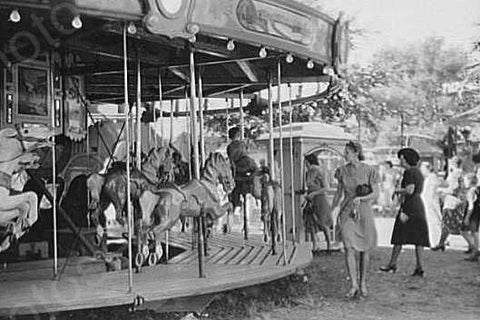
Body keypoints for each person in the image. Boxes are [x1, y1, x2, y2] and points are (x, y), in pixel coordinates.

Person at [331, 141, 380, 298]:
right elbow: (339, 193)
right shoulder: (342, 171)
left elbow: (376, 194)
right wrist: (332, 209)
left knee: (365, 249)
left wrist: (362, 198)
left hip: (364, 212)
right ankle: (353, 284)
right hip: (347, 212)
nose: (344, 155)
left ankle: (363, 282)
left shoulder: (369, 170)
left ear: (356, 152)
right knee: (348, 247)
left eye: (347, 152)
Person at [380, 148, 429, 277]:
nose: (400, 160)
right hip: (417, 206)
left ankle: (393, 263)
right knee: (418, 237)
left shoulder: (409, 172)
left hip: (409, 207)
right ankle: (419, 266)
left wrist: (397, 191)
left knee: (400, 233)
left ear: (406, 159)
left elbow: (409, 190)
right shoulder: (417, 172)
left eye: (401, 158)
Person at [432, 156, 465, 251]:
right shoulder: (459, 173)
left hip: (451, 201)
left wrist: (440, 190)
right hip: (454, 200)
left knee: (447, 223)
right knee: (449, 223)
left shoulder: (455, 173)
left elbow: (453, 189)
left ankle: (441, 243)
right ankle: (441, 242)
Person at [303, 153, 333, 254]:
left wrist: (314, 193)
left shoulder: (314, 169)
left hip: (319, 198)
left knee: (321, 221)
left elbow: (326, 187)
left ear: (308, 161)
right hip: (313, 198)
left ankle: (325, 245)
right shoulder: (312, 170)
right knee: (312, 221)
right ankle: (318, 245)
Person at [227, 127, 258, 208]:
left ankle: (236, 202)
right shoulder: (241, 145)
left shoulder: (230, 146)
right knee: (256, 170)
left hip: (236, 167)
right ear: (237, 135)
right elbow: (244, 151)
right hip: (243, 163)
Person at [420, 162, 442, 247]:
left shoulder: (431, 178)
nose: (422, 171)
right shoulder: (428, 178)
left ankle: (436, 241)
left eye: (423, 169)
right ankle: (435, 240)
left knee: (434, 222)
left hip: (430, 203)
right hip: (428, 203)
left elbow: (430, 193)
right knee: (432, 222)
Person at [460, 173, 480, 261]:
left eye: (465, 180)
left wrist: (467, 217)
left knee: (464, 231)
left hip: (472, 214)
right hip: (477, 212)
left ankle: (475, 249)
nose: (464, 182)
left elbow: (470, 206)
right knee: (474, 232)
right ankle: (475, 249)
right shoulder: (476, 189)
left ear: (469, 181)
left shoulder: (470, 192)